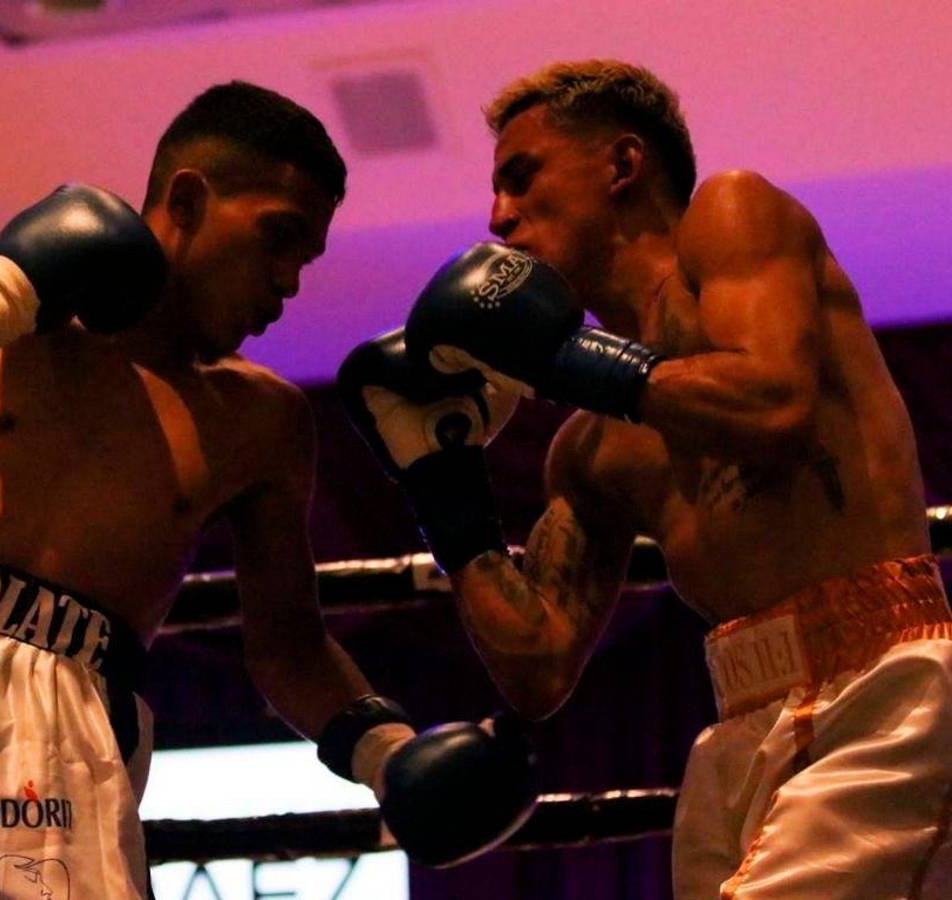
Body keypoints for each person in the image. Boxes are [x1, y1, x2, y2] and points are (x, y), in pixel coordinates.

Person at [0, 82, 532, 898]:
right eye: (278, 238)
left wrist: (387, 753)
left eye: (305, 260)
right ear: (189, 199)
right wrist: (5, 297)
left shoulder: (259, 419)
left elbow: (288, 645)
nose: (289, 283)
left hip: (54, 740)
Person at [340, 59, 952, 897]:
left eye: (523, 179)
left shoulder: (734, 217)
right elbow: (537, 669)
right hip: (738, 727)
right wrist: (443, 486)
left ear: (622, 166)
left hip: (881, 687)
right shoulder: (591, 452)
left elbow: (773, 407)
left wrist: (562, 358)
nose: (498, 217)